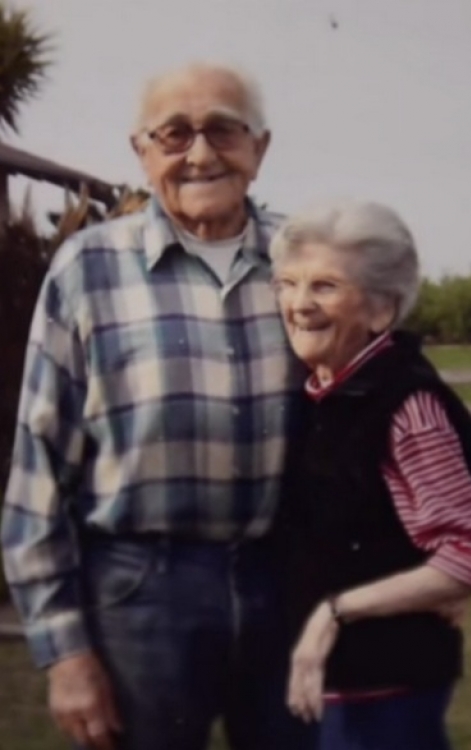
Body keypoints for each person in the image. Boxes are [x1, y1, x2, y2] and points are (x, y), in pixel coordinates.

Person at [1, 62, 306, 750]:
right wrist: (65, 653)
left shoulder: (308, 261)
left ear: (259, 147)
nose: (200, 154)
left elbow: (375, 413)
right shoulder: (87, 269)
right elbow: (38, 476)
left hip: (288, 581)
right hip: (141, 595)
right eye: (174, 134)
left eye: (223, 130)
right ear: (141, 151)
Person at [269, 200, 471, 750]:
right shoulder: (323, 390)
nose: (299, 304)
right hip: (337, 688)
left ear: (381, 309)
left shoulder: (406, 405)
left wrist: (335, 613)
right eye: (288, 284)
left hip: (382, 695)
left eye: (325, 286)